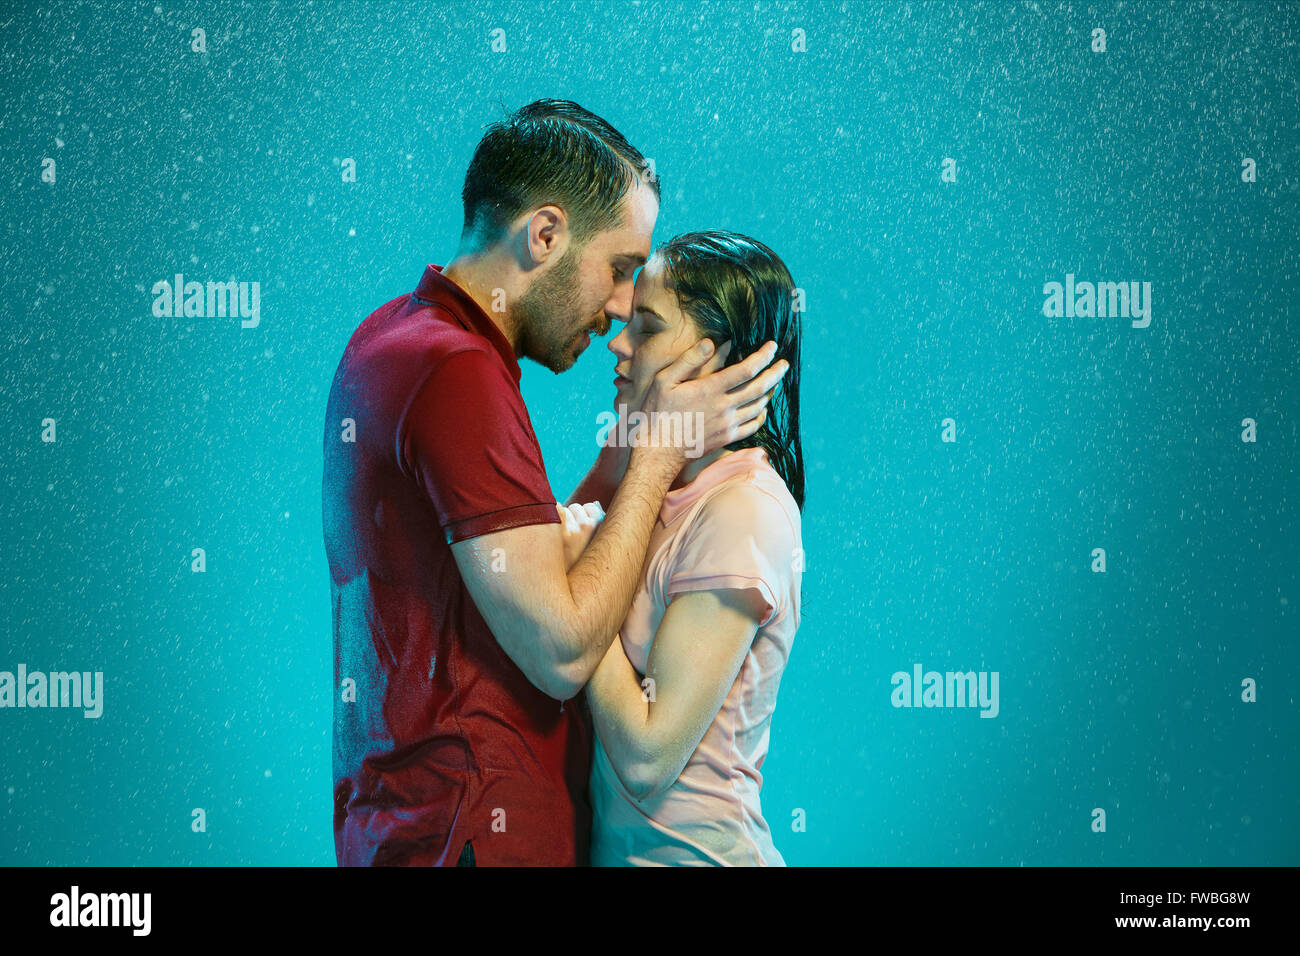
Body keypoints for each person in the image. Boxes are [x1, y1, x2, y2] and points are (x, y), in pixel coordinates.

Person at [322, 100, 789, 866]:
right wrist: (655, 455)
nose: (618, 312)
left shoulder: (391, 339)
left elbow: (529, 570)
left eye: (644, 313)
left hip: (424, 824)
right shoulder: (456, 372)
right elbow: (563, 650)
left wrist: (633, 448)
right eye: (620, 268)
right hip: (479, 831)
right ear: (544, 236)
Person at [578, 231, 804, 865]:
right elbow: (546, 560)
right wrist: (636, 447)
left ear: (717, 363)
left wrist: (582, 587)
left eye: (648, 328)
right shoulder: (654, 485)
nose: (617, 342)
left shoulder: (742, 512)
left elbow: (647, 758)